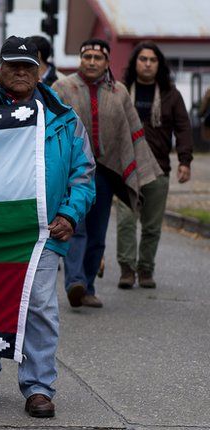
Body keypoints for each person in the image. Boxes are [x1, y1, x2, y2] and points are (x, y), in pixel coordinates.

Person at [0, 35, 95, 419]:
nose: (20, 72)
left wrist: (69, 215)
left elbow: (84, 174)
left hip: (44, 231)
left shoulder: (64, 118)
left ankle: (38, 387)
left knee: (39, 306)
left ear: (40, 71)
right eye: (12, 66)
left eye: (28, 66)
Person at [52, 39, 161, 309]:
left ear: (107, 62)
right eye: (86, 56)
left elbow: (131, 131)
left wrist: (142, 169)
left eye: (97, 58)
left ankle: (88, 286)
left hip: (105, 172)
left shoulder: (119, 91)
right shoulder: (62, 88)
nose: (91, 61)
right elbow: (49, 126)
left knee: (98, 233)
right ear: (80, 58)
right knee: (75, 226)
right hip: (71, 172)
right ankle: (74, 282)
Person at [115, 41, 193, 289]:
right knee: (126, 220)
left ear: (159, 64)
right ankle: (127, 269)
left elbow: (183, 128)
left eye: (152, 60)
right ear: (135, 62)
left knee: (151, 225)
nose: (147, 64)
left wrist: (185, 161)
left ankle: (146, 270)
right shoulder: (121, 91)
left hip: (158, 167)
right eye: (142, 59)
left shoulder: (171, 94)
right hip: (127, 168)